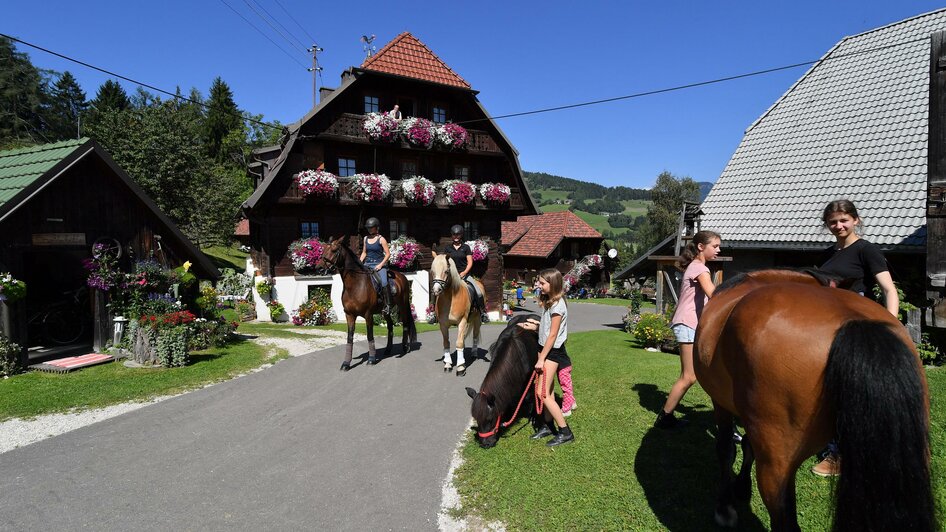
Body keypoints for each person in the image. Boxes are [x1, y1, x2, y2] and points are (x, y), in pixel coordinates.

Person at [811, 199, 900, 477]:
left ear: (856, 220)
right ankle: (830, 442)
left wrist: (890, 325)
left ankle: (841, 453)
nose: (838, 226)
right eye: (833, 222)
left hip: (855, 324)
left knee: (849, 387)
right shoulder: (826, 254)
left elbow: (889, 290)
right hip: (825, 322)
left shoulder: (866, 250)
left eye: (843, 220)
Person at [654, 230, 722, 429]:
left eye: (719, 246)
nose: (719, 250)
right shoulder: (700, 268)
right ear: (701, 247)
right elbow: (713, 294)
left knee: (703, 373)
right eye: (715, 246)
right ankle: (664, 418)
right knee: (689, 376)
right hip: (687, 324)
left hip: (692, 324)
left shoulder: (697, 266)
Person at [518, 268, 574, 446]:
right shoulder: (551, 302)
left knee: (542, 394)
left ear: (553, 283)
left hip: (552, 353)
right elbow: (548, 328)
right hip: (546, 350)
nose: (538, 285)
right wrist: (536, 327)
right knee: (546, 392)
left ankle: (565, 432)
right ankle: (548, 426)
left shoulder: (558, 305)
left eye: (542, 283)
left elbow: (553, 335)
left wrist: (541, 358)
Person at [443, 224, 484, 312]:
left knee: (478, 291)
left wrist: (464, 272)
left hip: (464, 275)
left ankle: (482, 312)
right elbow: (445, 262)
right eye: (454, 234)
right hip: (451, 276)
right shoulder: (447, 248)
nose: (456, 237)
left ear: (461, 235)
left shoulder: (466, 247)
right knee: (438, 288)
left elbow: (470, 262)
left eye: (458, 235)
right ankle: (434, 313)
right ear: (452, 235)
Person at [359, 217, 393, 315]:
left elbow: (387, 254)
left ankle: (388, 305)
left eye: (371, 227)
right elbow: (364, 252)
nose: (369, 229)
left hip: (379, 265)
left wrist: (380, 265)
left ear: (376, 228)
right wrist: (360, 262)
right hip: (367, 264)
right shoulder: (365, 238)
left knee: (384, 282)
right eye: (368, 227)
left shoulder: (381, 239)